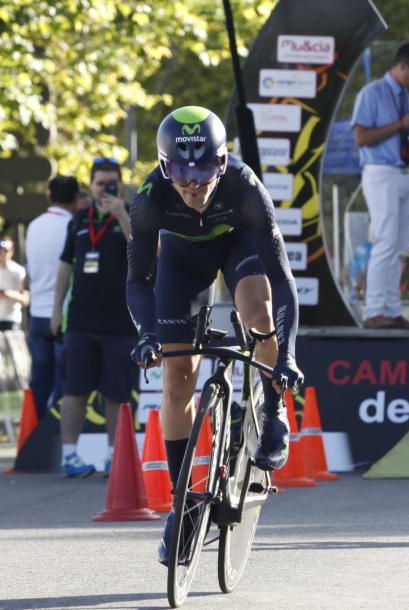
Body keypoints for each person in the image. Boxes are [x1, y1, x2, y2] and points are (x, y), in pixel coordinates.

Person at [126, 106, 302, 563]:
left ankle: (273, 404)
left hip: (237, 247)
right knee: (176, 378)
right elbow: (138, 281)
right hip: (182, 265)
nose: (192, 183)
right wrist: (147, 335)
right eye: (179, 170)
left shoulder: (245, 187)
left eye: (203, 168)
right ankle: (181, 505)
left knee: (258, 310)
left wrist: (289, 359)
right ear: (165, 166)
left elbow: (282, 280)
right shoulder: (149, 197)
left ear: (222, 162)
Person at [52, 157, 135, 478]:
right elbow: (64, 266)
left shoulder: (131, 214)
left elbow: (143, 252)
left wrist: (121, 215)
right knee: (75, 391)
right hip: (81, 322)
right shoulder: (79, 220)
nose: (105, 189)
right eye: (100, 184)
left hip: (121, 321)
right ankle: (70, 455)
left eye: (111, 184)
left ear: (120, 184)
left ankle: (115, 456)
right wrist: (56, 308)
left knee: (116, 393)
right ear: (90, 185)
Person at [352, 42, 409, 329]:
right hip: (380, 172)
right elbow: (361, 138)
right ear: (402, 65)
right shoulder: (372, 93)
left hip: (406, 173)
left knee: (400, 246)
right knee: (386, 241)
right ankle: (374, 311)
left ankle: (391, 310)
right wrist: (401, 124)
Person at [24, 175, 78, 419]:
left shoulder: (34, 226)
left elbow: (31, 271)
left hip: (37, 313)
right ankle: (55, 435)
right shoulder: (75, 226)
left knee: (39, 380)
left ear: (49, 196)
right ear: (76, 199)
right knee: (64, 383)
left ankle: (34, 435)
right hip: (65, 315)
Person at [0, 239, 28, 332]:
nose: (2, 254)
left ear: (12, 251)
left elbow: (25, 299)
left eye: (5, 251)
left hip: (12, 319)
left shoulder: (19, 271)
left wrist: (8, 293)